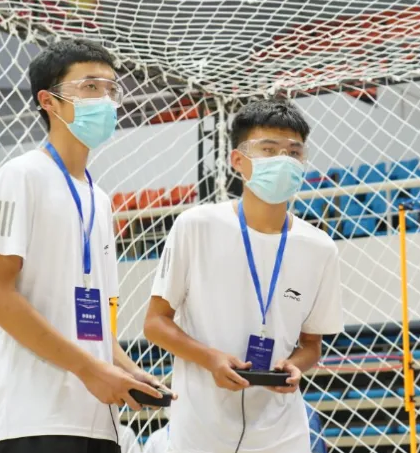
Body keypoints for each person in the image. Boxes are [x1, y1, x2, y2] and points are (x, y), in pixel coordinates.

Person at [0, 39, 166, 453]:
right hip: (34, 419)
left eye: (111, 89)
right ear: (49, 101)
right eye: (90, 87)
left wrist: (128, 370)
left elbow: (90, 324)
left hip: (99, 422)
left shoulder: (100, 198)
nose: (106, 100)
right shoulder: (19, 176)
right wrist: (89, 370)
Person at [144, 99, 344, 453]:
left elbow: (312, 345)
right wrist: (211, 359)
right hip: (201, 429)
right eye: (269, 149)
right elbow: (155, 324)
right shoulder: (195, 226)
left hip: (281, 433)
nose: (283, 160)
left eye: (294, 152)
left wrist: (294, 366)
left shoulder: (320, 247)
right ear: (238, 160)